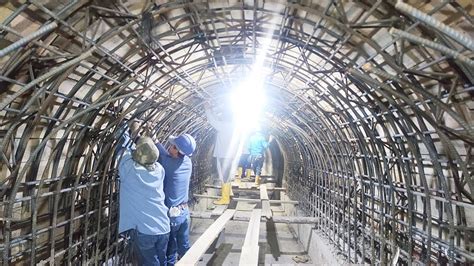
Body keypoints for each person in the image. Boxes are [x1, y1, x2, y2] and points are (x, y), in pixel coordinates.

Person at [117, 124, 170, 265]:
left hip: (146, 231)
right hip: (164, 227)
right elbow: (143, 154)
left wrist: (125, 128)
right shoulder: (159, 170)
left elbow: (122, 149)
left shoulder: (129, 171)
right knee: (161, 262)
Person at [155, 134, 196, 265]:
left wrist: (153, 140)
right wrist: (155, 139)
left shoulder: (170, 165)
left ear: (177, 151)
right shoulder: (187, 162)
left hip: (173, 217)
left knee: (170, 251)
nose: (169, 148)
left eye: (172, 146)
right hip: (184, 213)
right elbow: (166, 155)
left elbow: (161, 154)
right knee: (184, 247)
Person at [205, 105, 243, 205]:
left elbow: (213, 121)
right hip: (230, 154)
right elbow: (216, 120)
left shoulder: (223, 125)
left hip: (223, 154)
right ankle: (228, 193)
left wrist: (208, 109)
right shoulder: (233, 126)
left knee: (224, 175)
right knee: (227, 174)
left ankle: (225, 198)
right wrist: (212, 110)